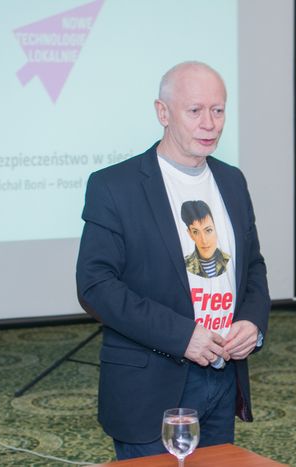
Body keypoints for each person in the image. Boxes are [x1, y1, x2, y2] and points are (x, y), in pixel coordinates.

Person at [76, 61, 270, 460]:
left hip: (223, 374)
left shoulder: (232, 181)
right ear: (163, 113)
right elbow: (96, 286)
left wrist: (253, 323)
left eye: (218, 110)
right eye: (195, 110)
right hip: (151, 383)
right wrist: (182, 337)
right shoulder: (114, 186)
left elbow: (252, 266)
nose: (209, 124)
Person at [181, 200, 231, 278]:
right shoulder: (183, 265)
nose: (204, 240)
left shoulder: (230, 261)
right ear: (190, 234)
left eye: (208, 230)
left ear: (216, 228)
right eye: (196, 232)